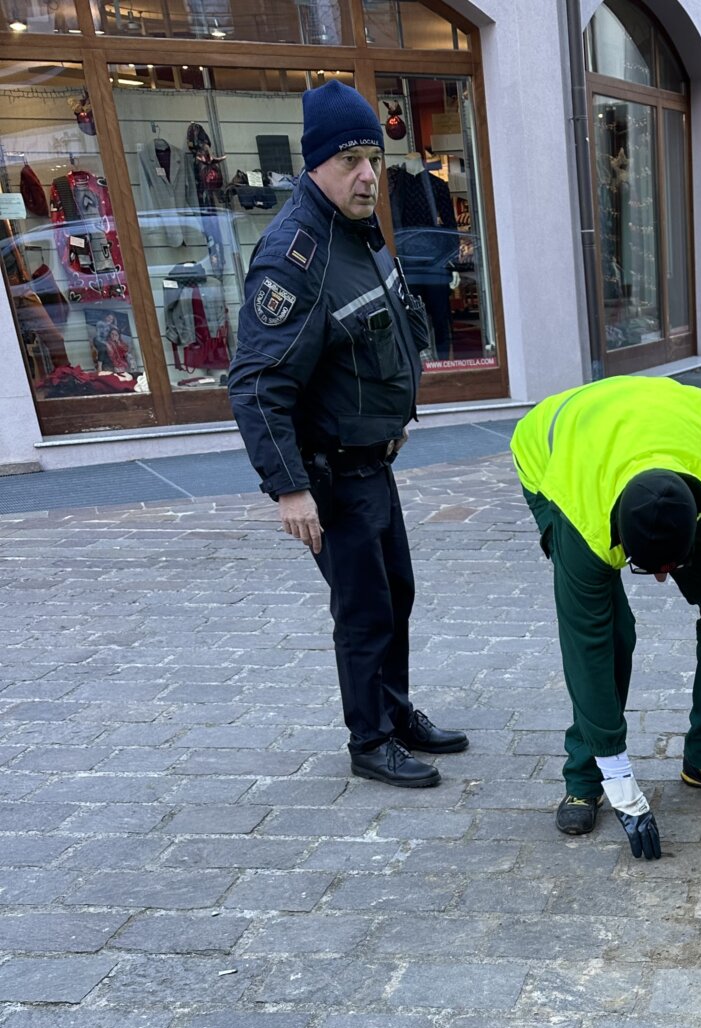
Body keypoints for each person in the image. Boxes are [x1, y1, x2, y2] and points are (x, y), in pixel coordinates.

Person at [229, 79, 468, 788]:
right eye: (350, 159)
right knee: (364, 610)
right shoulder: (294, 257)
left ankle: (393, 713)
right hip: (332, 474)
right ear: (316, 165)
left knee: (396, 592)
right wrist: (289, 489)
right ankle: (370, 742)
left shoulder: (355, 230)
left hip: (373, 463)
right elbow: (256, 383)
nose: (368, 173)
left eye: (372, 155)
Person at [511, 375, 701, 860]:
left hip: (669, 440)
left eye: (673, 566)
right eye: (646, 567)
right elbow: (587, 649)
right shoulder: (586, 524)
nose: (662, 580)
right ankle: (586, 774)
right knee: (611, 635)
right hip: (556, 453)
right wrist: (621, 778)